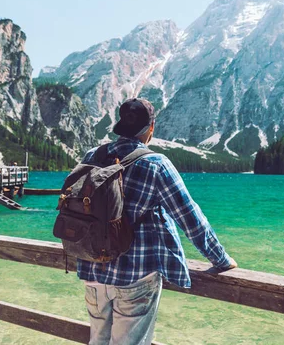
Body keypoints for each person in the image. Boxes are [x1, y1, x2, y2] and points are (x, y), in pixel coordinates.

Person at [79, 98, 237, 345]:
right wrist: (221, 259)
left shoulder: (92, 155)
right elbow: (191, 219)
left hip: (92, 272)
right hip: (134, 277)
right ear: (151, 128)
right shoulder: (156, 164)